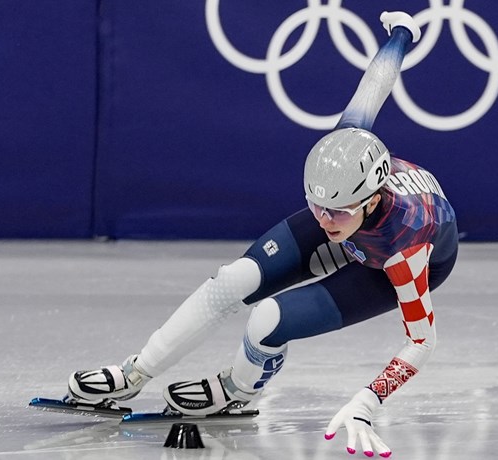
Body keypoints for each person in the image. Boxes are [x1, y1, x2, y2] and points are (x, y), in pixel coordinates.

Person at [67, 11, 458, 457]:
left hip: (390, 256)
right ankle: (134, 373)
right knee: (234, 280)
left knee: (266, 321)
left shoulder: (404, 251)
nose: (324, 220)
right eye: (316, 206)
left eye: (336, 212)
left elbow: (422, 340)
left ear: (369, 201)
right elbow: (377, 81)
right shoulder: (346, 151)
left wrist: (367, 402)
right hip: (367, 227)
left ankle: (238, 390)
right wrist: (403, 33)